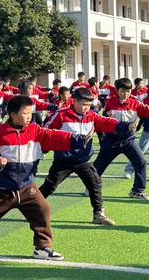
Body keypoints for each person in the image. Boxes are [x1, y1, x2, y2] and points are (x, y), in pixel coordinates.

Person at [0, 95, 93, 260]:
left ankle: (42, 248)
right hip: (0, 189)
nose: (29, 117)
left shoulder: (35, 130)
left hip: (27, 187)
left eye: (31, 113)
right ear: (13, 114)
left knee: (43, 209)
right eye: (25, 113)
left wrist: (78, 139)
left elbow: (55, 136)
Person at [39, 88, 132, 226]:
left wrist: (123, 126)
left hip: (83, 160)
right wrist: (44, 148)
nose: (86, 108)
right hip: (63, 160)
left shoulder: (91, 115)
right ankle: (31, 209)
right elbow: (46, 132)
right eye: (83, 104)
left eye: (89, 105)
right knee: (50, 186)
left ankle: (98, 214)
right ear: (74, 101)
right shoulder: (61, 115)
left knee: (95, 182)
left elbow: (106, 121)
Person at [93, 78, 149, 200]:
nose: (126, 94)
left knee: (141, 161)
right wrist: (107, 114)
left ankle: (138, 190)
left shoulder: (135, 103)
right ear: (117, 90)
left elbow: (147, 110)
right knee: (99, 165)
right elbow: (105, 119)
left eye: (128, 91)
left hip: (129, 140)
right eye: (123, 91)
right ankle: (91, 187)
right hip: (112, 139)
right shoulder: (110, 102)